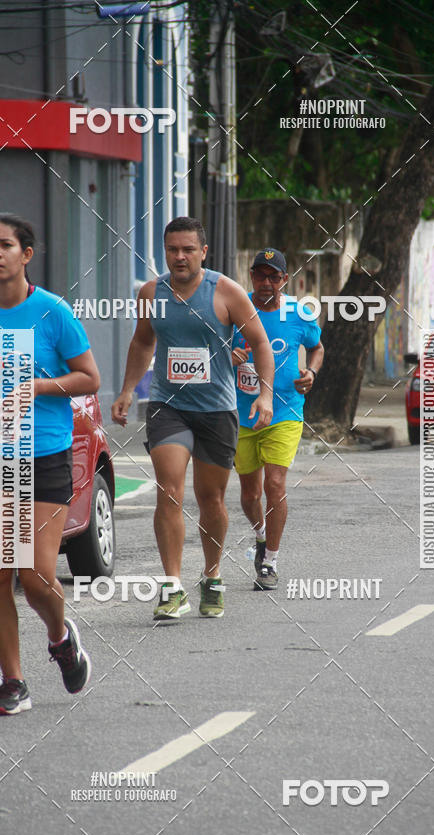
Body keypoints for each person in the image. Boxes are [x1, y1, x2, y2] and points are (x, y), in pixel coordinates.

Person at [0, 213, 100, 715]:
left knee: (34, 574)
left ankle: (59, 636)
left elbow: (90, 378)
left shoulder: (53, 312)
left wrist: (37, 386)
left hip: (44, 452)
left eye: (5, 245)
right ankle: (12, 681)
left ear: (25, 255)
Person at [111, 216, 274, 621]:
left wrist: (266, 395)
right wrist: (128, 390)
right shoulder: (152, 292)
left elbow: (260, 343)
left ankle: (213, 575)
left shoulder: (227, 292)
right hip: (168, 405)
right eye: (172, 250)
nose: (179, 257)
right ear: (164, 252)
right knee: (168, 488)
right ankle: (172, 586)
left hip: (217, 409)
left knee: (211, 499)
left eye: (187, 250)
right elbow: (143, 341)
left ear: (203, 252)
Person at [232, 248, 324, 590]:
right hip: (242, 415)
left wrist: (311, 371)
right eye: (260, 275)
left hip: (286, 410)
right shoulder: (235, 310)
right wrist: (230, 355)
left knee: (275, 485)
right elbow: (213, 350)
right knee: (248, 494)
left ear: (285, 280)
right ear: (251, 276)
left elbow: (317, 346)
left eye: (274, 276)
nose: (266, 282)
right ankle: (260, 535)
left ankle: (269, 561)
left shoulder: (299, 314)